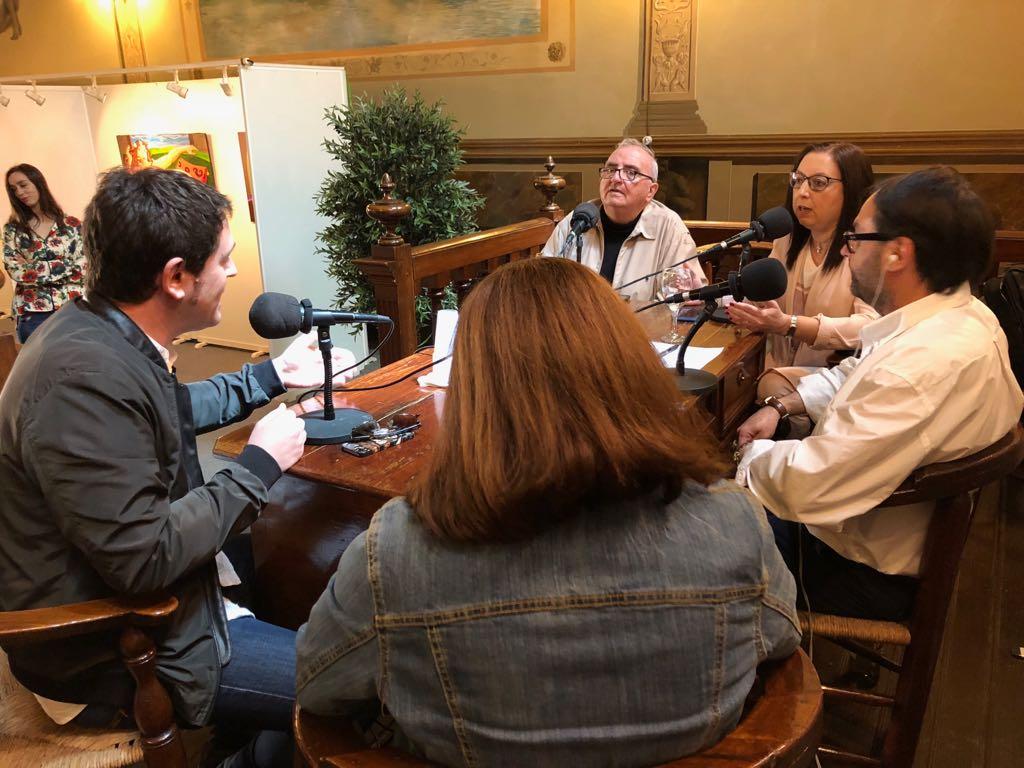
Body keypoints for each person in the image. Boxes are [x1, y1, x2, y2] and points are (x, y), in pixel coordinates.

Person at [296, 257, 800, 768]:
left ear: (474, 391)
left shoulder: (397, 553)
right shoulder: (734, 523)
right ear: (631, 369)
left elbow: (316, 687)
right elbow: (782, 641)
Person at [0, 167, 355, 768]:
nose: (233, 273)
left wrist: (269, 376)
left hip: (169, 600)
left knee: (304, 559)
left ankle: (243, 738)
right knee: (350, 686)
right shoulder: (81, 381)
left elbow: (166, 408)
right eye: (224, 259)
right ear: (175, 278)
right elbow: (145, 559)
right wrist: (257, 464)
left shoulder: (99, 334)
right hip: (122, 643)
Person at [735, 167, 1023, 622]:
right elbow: (858, 372)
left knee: (683, 528)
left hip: (852, 565)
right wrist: (783, 405)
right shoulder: (959, 316)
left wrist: (745, 463)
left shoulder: (923, 363)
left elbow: (813, 485)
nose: (845, 251)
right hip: (861, 522)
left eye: (855, 239)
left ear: (897, 253)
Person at [727, 143, 878, 374]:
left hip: (836, 375)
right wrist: (710, 297)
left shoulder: (866, 250)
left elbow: (872, 326)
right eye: (798, 180)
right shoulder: (787, 240)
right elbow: (762, 302)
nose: (802, 192)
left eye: (818, 183)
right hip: (776, 367)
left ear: (851, 189)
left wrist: (790, 325)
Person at [541, 138, 706, 302]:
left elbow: (687, 299)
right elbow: (541, 284)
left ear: (651, 191)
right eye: (610, 170)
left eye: (631, 172)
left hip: (641, 320)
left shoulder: (668, 227)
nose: (615, 178)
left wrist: (691, 298)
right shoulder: (578, 221)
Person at [3, 164, 86, 342]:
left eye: (23, 185)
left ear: (38, 183)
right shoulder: (13, 230)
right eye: (13, 189)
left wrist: (32, 268)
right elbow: (15, 270)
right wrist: (65, 267)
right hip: (33, 314)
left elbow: (83, 267)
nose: (19, 192)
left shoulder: (72, 225)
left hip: (72, 309)